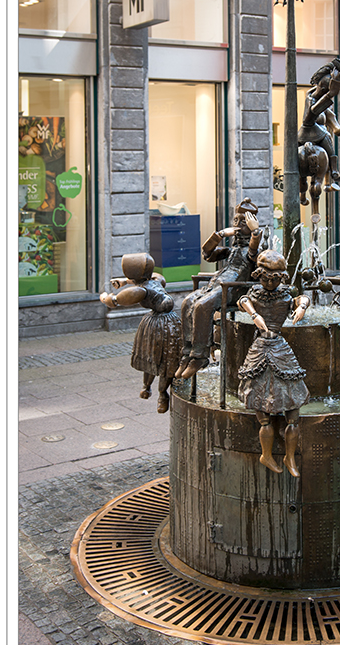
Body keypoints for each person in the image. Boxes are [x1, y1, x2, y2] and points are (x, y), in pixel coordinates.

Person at [236, 249, 311, 477]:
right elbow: (242, 299)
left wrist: (302, 306)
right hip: (260, 350)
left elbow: (303, 297)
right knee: (262, 409)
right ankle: (266, 455)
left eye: (275, 278)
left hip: (280, 349)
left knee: (294, 410)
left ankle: (290, 457)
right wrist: (253, 314)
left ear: (282, 277)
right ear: (259, 274)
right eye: (266, 278)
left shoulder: (287, 294)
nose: (270, 282)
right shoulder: (254, 293)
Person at [176, 198, 263, 380]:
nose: (237, 224)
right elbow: (207, 253)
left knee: (202, 306)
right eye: (235, 220)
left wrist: (255, 231)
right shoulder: (231, 250)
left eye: (242, 221)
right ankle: (187, 354)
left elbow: (254, 252)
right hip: (216, 285)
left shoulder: (253, 249)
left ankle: (200, 357)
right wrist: (220, 234)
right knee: (188, 302)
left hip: (235, 290)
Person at [100, 253, 180, 413]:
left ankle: (157, 392)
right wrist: (125, 281)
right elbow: (153, 275)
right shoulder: (157, 280)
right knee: (157, 356)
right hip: (171, 321)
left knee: (162, 359)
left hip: (159, 323)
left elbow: (113, 301)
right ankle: (153, 390)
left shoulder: (140, 291)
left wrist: (103, 296)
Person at [297, 57, 340, 192]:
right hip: (309, 131)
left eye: (325, 91)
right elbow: (312, 112)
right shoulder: (310, 98)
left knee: (328, 136)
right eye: (323, 90)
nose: (324, 93)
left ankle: (332, 174)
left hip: (315, 130)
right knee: (327, 137)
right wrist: (330, 94)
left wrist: (337, 127)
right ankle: (333, 170)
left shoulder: (320, 101)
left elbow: (329, 115)